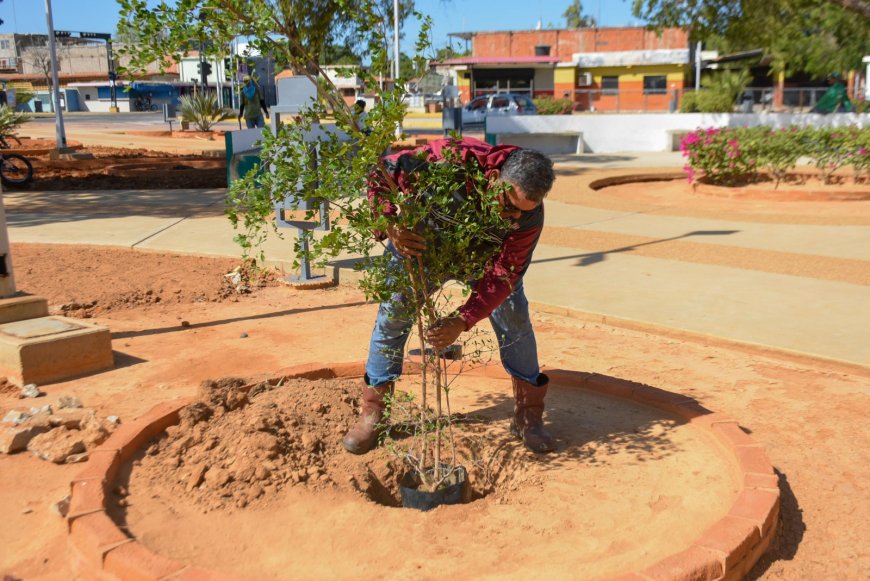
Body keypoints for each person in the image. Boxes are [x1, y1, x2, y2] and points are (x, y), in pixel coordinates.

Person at [342, 136, 557, 456]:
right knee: (393, 317)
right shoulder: (446, 160)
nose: (513, 218)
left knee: (515, 318)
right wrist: (390, 224)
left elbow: (504, 275)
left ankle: (528, 416)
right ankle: (374, 414)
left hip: (482, 261)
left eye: (522, 212)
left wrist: (462, 318)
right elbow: (381, 173)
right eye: (509, 206)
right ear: (495, 180)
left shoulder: (528, 217)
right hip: (419, 249)